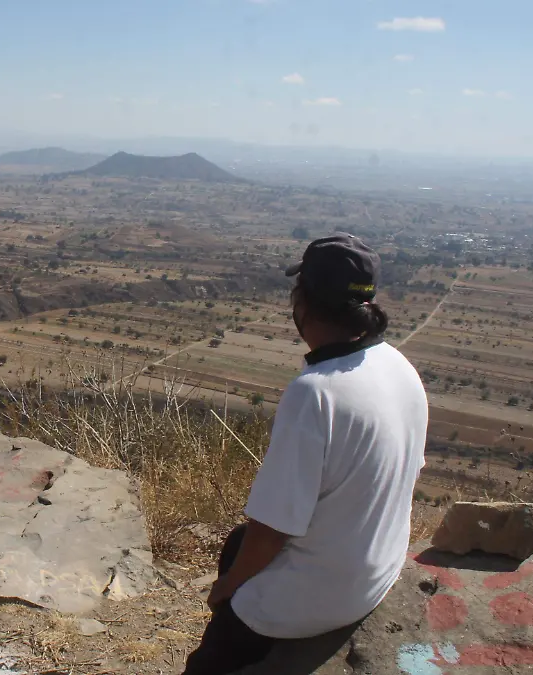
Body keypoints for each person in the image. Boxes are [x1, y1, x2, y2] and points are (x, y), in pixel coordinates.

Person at [183, 234, 428, 674]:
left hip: (327, 595)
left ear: (305, 302)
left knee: (215, 648)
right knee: (236, 544)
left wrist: (227, 588)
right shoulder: (397, 364)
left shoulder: (315, 394)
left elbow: (273, 529)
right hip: (378, 569)